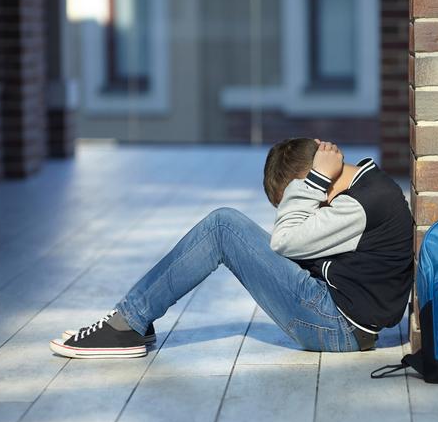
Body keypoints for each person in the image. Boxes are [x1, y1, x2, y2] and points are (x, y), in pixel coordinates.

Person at [49, 138, 414, 359]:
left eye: (301, 197)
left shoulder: (358, 205)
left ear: (314, 182)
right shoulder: (370, 189)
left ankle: (126, 324)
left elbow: (284, 240)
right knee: (230, 227)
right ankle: (135, 320)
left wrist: (315, 180)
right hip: (344, 320)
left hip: (336, 327)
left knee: (223, 225)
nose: (307, 205)